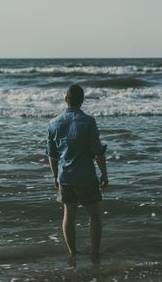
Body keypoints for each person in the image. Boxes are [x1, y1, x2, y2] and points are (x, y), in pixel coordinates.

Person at [46, 84, 109, 257]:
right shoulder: (88, 121)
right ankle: (94, 253)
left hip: (65, 176)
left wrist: (54, 176)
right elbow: (97, 151)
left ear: (66, 99)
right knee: (94, 215)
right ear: (82, 101)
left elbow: (51, 156)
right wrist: (104, 173)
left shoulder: (53, 123)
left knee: (69, 214)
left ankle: (73, 253)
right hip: (86, 175)